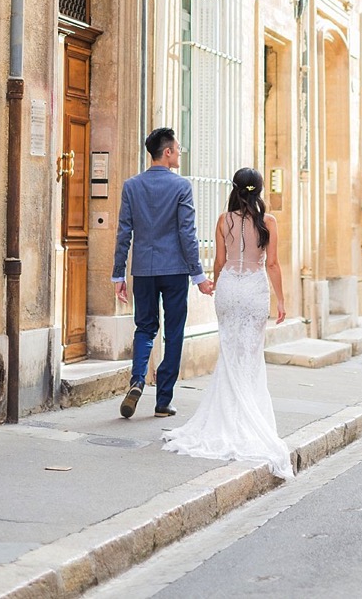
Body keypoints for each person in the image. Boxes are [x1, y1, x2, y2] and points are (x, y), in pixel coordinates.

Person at [163, 168, 292, 480]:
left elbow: (219, 262)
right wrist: (282, 300)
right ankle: (247, 419)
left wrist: (217, 285)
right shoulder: (269, 222)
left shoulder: (224, 220)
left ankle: (226, 418)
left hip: (231, 288)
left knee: (230, 354)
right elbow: (271, 263)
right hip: (254, 289)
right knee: (249, 356)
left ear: (235, 188)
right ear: (259, 190)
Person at [113, 127, 213, 419]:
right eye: (178, 149)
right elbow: (187, 234)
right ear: (167, 152)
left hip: (143, 269)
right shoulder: (181, 187)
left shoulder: (132, 186)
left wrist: (119, 275)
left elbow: (124, 233)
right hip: (175, 271)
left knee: (144, 328)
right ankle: (163, 401)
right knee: (174, 331)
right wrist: (199, 275)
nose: (180, 153)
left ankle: (137, 380)